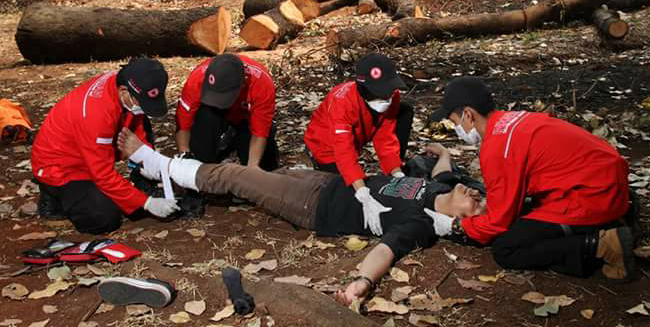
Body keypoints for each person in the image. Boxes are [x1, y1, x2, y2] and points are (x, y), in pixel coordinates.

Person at [116, 128, 484, 305]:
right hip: (327, 181)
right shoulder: (442, 189)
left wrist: (360, 284)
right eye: (479, 194)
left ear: (460, 223)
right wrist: (442, 151)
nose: (475, 194)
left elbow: (386, 252)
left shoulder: (420, 225)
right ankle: (180, 176)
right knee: (262, 176)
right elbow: (443, 170)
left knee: (237, 177)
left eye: (477, 205)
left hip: (313, 207)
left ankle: (155, 165)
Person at [429, 76, 636, 280]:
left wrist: (456, 226)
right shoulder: (515, 119)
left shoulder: (497, 147)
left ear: (468, 114)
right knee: (527, 212)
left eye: (455, 122)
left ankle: (602, 245)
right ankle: (614, 219)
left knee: (506, 248)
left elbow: (498, 222)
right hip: (608, 181)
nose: (456, 129)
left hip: (595, 195)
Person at [31, 58, 179, 234]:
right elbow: (102, 173)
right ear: (124, 91)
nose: (143, 108)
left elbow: (137, 125)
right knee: (104, 218)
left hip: (89, 149)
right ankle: (53, 196)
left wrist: (148, 162)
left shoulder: (123, 87)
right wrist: (145, 203)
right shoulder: (96, 114)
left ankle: (140, 183)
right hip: (61, 166)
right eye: (141, 102)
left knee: (142, 119)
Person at [304, 53, 414, 236]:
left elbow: (386, 136)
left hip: (357, 139)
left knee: (405, 112)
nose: (387, 98)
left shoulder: (392, 95)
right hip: (325, 147)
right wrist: (362, 192)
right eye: (380, 94)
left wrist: (396, 172)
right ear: (363, 90)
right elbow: (343, 151)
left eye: (388, 92)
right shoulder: (341, 102)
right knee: (343, 193)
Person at [175, 53, 278, 170]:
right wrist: (185, 155)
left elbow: (260, 133)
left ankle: (233, 139)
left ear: (243, 83)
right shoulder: (197, 78)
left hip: (246, 118)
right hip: (213, 114)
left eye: (222, 96)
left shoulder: (262, 84)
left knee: (265, 166)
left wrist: (252, 168)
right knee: (205, 119)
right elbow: (183, 123)